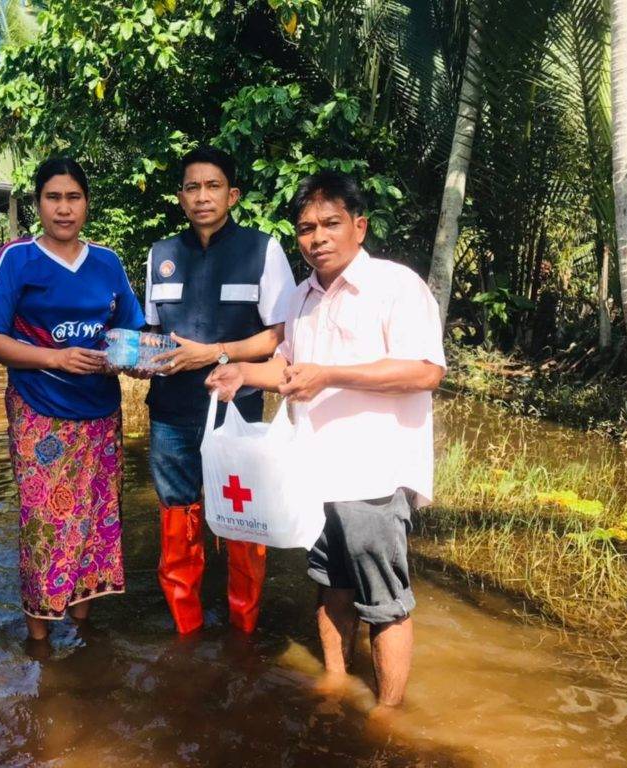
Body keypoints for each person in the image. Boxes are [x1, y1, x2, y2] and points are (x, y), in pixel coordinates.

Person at [206, 170, 446, 707]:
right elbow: (288, 367)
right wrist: (243, 373)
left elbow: (425, 371)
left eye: (330, 224)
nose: (317, 238)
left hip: (374, 474)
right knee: (329, 583)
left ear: (359, 226)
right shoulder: (301, 297)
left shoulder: (397, 286)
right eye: (306, 227)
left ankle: (388, 712)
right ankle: (336, 681)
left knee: (384, 599)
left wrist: (332, 374)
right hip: (315, 472)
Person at [0, 157, 146, 642]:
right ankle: (40, 641)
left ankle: (84, 629)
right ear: (37, 203)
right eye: (53, 198)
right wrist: (56, 358)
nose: (64, 209)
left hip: (101, 415)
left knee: (94, 520)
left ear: (87, 203)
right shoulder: (16, 259)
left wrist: (133, 359)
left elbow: (128, 334)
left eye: (73, 197)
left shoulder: (107, 262)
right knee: (45, 524)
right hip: (40, 412)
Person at [144, 146, 296, 635]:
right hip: (170, 414)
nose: (202, 196)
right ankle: (186, 631)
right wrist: (137, 360)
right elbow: (152, 332)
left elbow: (278, 334)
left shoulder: (262, 250)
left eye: (213, 186)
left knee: (244, 518)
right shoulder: (161, 255)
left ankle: (243, 631)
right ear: (180, 197)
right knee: (177, 517)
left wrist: (214, 354)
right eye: (192, 187)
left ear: (233, 195)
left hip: (238, 412)